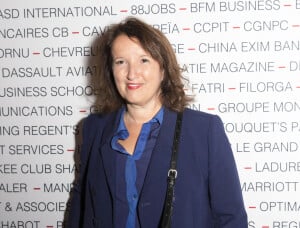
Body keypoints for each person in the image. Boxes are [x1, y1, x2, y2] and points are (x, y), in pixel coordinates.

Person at [67, 17, 248, 228]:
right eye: (121, 62)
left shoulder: (203, 131)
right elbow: (80, 212)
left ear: (163, 69)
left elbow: (231, 218)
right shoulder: (93, 129)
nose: (132, 73)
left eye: (144, 60)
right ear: (111, 70)